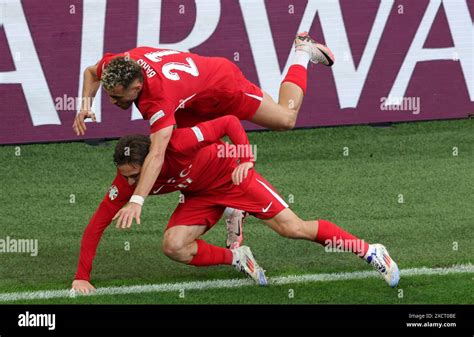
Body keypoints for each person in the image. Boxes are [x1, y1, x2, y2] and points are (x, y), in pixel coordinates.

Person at [71, 115, 399, 294]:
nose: (128, 183)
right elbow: (96, 224)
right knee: (173, 245)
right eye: (124, 176)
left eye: (134, 176)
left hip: (232, 179)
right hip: (201, 196)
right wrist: (81, 276)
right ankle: (237, 256)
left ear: (153, 160)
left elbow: (228, 121)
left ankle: (370, 251)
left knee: (293, 229)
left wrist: (244, 156)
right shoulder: (125, 182)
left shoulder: (181, 143)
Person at [72, 32, 335, 248]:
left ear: (137, 87)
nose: (111, 101)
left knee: (285, 119)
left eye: (117, 97)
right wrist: (85, 104)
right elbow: (90, 73)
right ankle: (231, 205)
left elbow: (156, 154)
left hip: (223, 87)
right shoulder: (119, 66)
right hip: (189, 104)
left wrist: (137, 200)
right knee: (196, 151)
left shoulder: (158, 100)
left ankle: (302, 51)